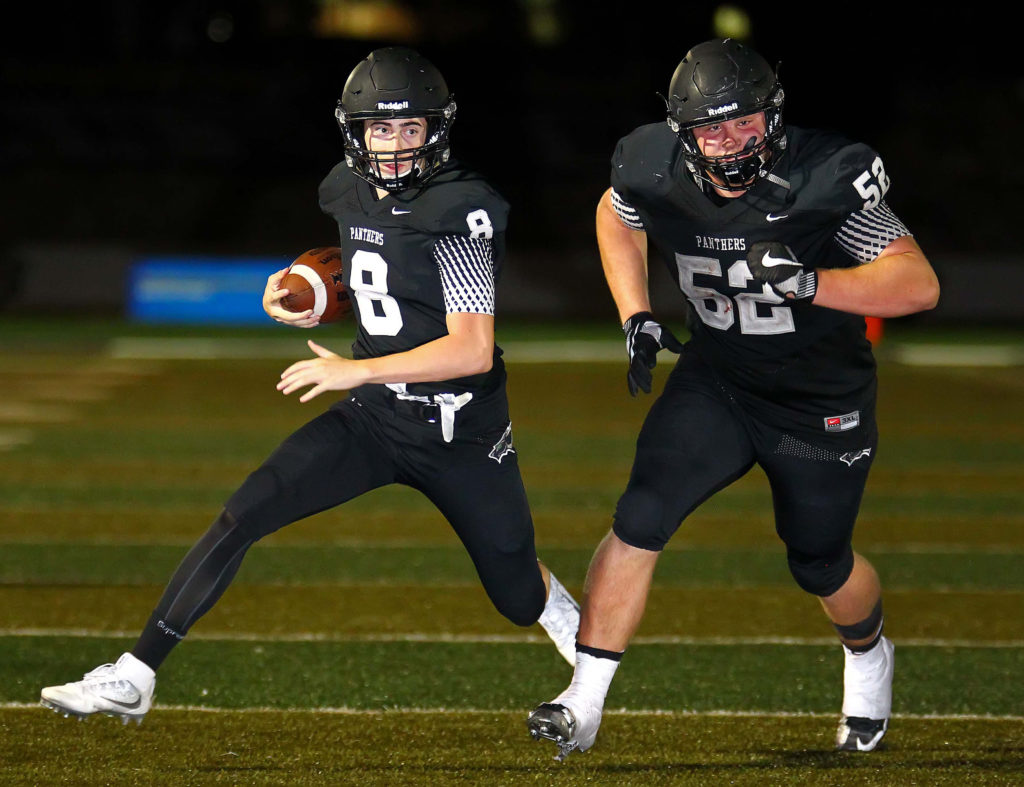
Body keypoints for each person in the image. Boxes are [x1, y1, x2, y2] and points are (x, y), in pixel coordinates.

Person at [40, 46, 579, 724]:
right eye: (380, 129)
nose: (395, 145)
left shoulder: (462, 208)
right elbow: (377, 276)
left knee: (516, 598)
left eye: (411, 128)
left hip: (458, 428)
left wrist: (353, 368)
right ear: (355, 131)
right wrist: (304, 294)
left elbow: (470, 348)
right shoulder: (344, 189)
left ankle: (556, 604)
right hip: (375, 416)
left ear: (437, 130)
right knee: (246, 510)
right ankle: (136, 673)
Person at [527, 37, 939, 759]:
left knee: (818, 559)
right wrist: (635, 311)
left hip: (818, 396)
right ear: (683, 134)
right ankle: (583, 702)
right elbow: (616, 213)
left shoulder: (825, 175)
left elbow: (917, 282)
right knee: (640, 514)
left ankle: (870, 654)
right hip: (717, 375)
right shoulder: (652, 163)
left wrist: (814, 282)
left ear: (774, 116)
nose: (730, 139)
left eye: (745, 120)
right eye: (712, 126)